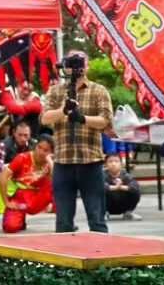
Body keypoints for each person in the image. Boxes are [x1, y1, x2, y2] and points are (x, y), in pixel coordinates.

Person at [40, 52, 112, 234]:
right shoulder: (55, 91)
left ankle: (100, 250)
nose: (75, 67)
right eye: (71, 62)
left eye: (79, 62)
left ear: (87, 66)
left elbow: (105, 121)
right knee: (63, 221)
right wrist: (63, 111)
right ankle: (65, 251)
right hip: (63, 161)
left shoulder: (98, 90)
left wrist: (82, 118)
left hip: (91, 161)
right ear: (65, 66)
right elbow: (45, 118)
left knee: (97, 219)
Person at [0, 132, 55, 225]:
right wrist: (6, 202)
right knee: (10, 226)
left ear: (51, 153)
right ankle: (20, 220)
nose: (41, 152)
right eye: (39, 147)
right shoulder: (22, 158)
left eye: (46, 150)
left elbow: (57, 183)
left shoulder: (51, 162)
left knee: (60, 186)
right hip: (21, 198)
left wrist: (50, 162)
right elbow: (2, 177)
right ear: (35, 146)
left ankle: (63, 221)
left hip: (40, 197)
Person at [103, 154, 140, 219]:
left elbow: (135, 187)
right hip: (107, 205)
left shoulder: (126, 175)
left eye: (116, 161)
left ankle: (128, 213)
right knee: (98, 190)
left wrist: (120, 187)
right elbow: (99, 187)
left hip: (123, 205)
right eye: (110, 161)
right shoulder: (102, 175)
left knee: (136, 191)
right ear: (105, 164)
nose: (113, 164)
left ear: (121, 164)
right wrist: (115, 187)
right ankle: (103, 213)